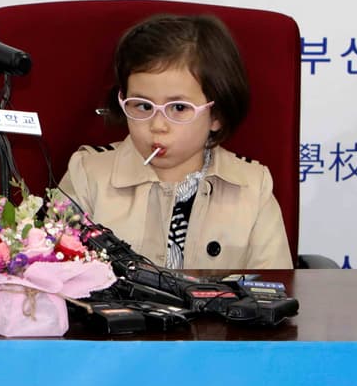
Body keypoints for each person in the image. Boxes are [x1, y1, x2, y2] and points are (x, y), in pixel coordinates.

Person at [59, 14, 293, 269]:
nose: (157, 125)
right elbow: (53, 271)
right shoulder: (88, 174)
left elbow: (272, 289)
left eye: (179, 108)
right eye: (142, 106)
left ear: (216, 115)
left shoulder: (252, 185)